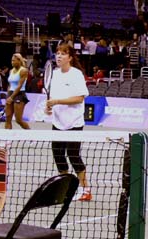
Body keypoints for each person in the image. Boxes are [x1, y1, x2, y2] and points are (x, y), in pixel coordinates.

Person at [45, 43, 91, 202]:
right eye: (57, 53)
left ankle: (86, 189)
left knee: (73, 155)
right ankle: (65, 188)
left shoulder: (76, 74)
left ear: (70, 57)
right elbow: (52, 97)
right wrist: (49, 107)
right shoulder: (55, 74)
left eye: (63, 54)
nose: (58, 56)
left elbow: (80, 98)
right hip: (58, 122)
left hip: (74, 121)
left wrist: (57, 101)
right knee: (58, 155)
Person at [5, 53, 30, 129]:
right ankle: (7, 140)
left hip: (19, 94)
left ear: (19, 61)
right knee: (8, 118)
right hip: (10, 93)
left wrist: (11, 97)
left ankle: (30, 133)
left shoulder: (24, 71)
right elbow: (10, 85)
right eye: (11, 61)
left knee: (18, 120)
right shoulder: (10, 71)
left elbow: (19, 86)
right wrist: (8, 95)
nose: (12, 62)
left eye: (14, 61)